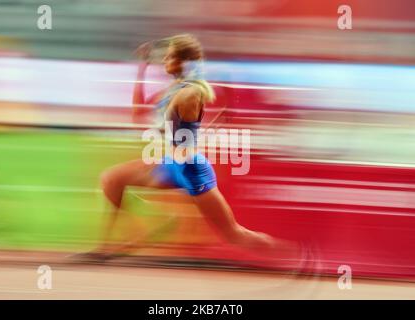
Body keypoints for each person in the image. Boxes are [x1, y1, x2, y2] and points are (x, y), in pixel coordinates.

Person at [83, 34, 303, 267]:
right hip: (171, 164)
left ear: (183, 61)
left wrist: (166, 127)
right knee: (111, 180)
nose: (165, 60)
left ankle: (293, 255)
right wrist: (142, 68)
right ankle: (109, 246)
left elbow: (172, 130)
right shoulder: (175, 88)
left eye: (169, 56)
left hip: (192, 171)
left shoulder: (189, 93)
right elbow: (139, 114)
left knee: (234, 234)